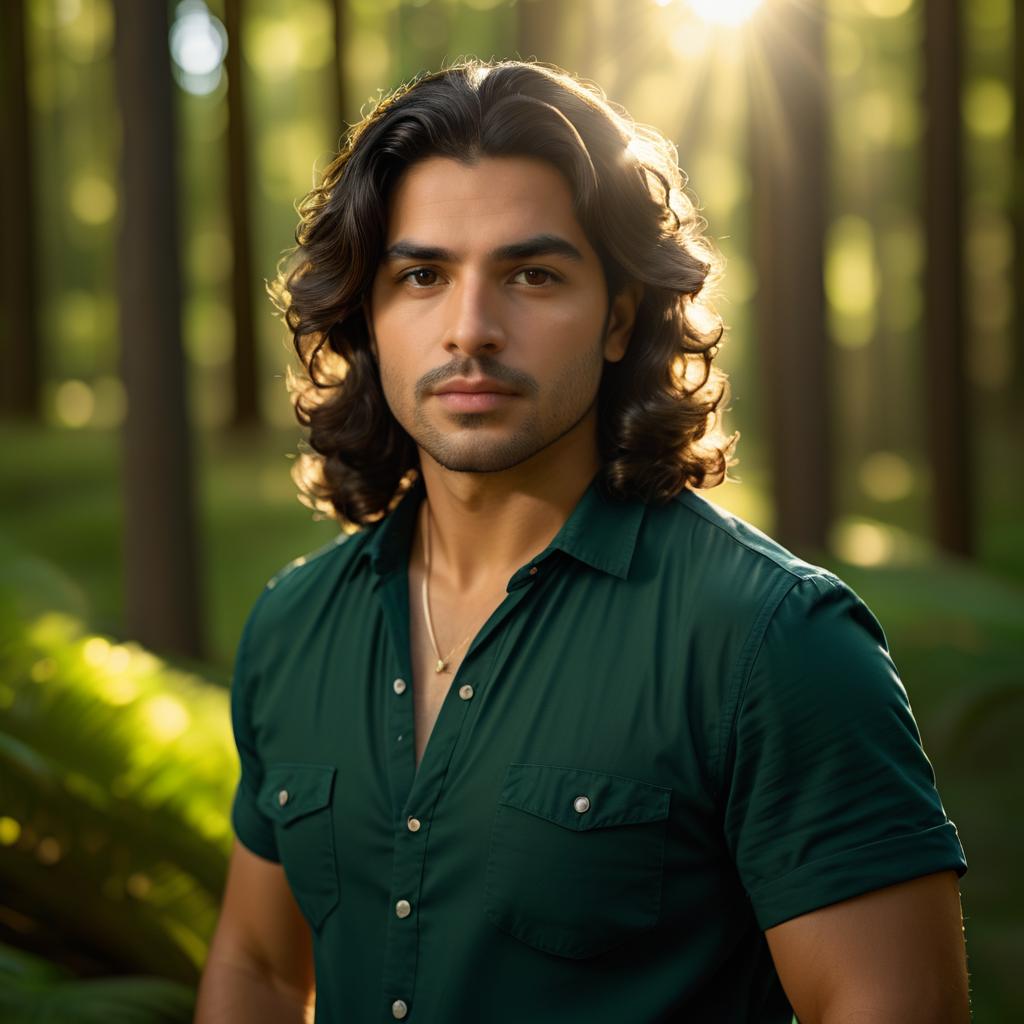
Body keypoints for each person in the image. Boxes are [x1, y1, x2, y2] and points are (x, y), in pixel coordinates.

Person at [194, 59, 969, 1023]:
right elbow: (264, 971)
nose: (470, 330)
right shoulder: (294, 625)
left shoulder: (775, 643)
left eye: (531, 274)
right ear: (366, 316)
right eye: (423, 275)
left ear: (617, 317)